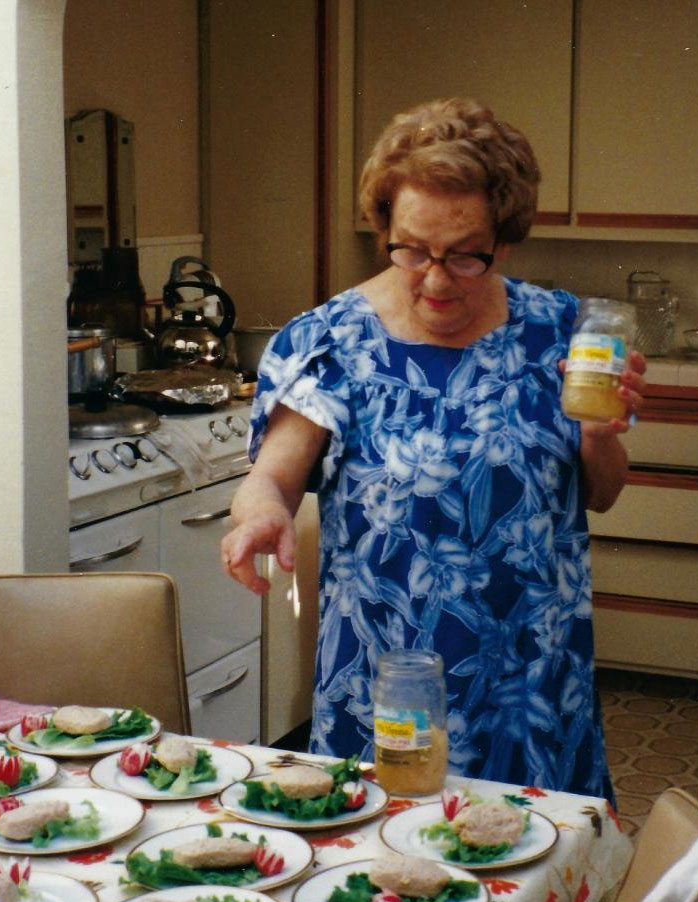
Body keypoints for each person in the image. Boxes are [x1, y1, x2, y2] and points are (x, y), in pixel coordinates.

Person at [221, 97, 645, 801]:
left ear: (503, 240)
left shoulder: (561, 332)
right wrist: (260, 514)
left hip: (531, 685)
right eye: (411, 249)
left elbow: (600, 492)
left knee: (531, 879)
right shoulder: (330, 342)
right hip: (389, 693)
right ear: (383, 225)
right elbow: (273, 476)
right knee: (390, 882)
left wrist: (599, 436)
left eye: (464, 255)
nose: (436, 279)